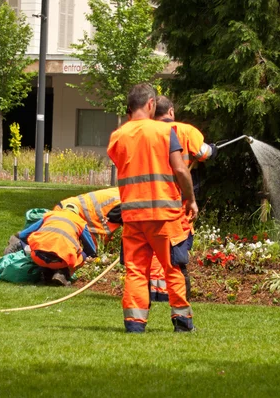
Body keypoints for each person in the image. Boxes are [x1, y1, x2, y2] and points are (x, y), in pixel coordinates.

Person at [107, 83, 198, 333]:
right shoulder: (163, 131)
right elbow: (180, 169)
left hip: (133, 217)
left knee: (136, 271)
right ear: (150, 104)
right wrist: (190, 199)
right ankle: (182, 324)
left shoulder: (118, 136)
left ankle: (135, 326)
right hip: (164, 216)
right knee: (173, 268)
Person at [148, 95, 218, 302]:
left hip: (152, 199)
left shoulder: (148, 133)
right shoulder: (187, 131)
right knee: (177, 245)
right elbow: (204, 153)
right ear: (171, 112)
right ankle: (171, 293)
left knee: (154, 246)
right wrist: (214, 149)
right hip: (179, 200)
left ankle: (153, 292)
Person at [16, 204, 97, 286]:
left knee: (42, 250)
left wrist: (32, 246)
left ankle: (46, 273)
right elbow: (91, 250)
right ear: (76, 213)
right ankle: (63, 274)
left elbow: (23, 235)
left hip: (38, 257)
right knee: (83, 254)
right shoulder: (80, 222)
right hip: (61, 262)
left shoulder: (50, 215)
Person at [54, 187, 122, 246]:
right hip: (68, 214)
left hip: (66, 211)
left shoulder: (122, 193)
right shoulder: (124, 202)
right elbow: (130, 234)